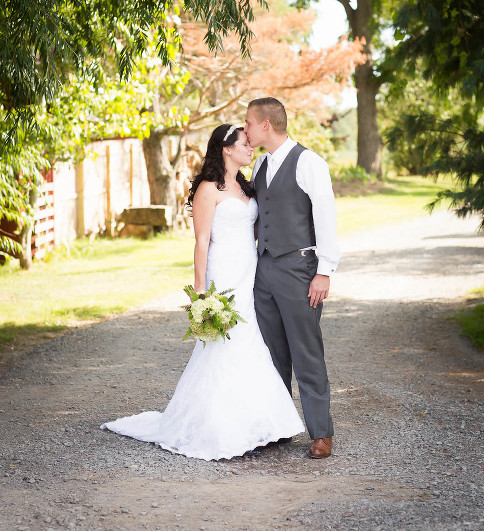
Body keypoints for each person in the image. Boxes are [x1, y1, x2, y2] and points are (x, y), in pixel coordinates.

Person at [100, 124, 304, 460]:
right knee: (227, 344)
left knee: (251, 340)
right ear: (226, 148)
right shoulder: (209, 189)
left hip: (248, 270)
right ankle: (220, 428)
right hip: (222, 272)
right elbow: (201, 240)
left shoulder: (243, 184)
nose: (250, 148)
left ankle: (256, 424)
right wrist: (200, 292)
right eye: (244, 144)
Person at [244, 98, 341, 459]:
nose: (247, 130)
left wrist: (324, 272)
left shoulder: (309, 162)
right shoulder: (260, 166)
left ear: (266, 125)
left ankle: (321, 433)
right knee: (273, 354)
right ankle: (280, 426)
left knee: (306, 351)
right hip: (264, 269)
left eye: (249, 123)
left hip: (299, 269)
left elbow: (326, 217)